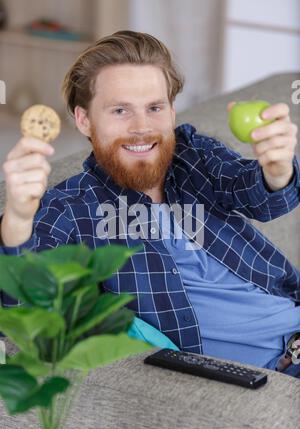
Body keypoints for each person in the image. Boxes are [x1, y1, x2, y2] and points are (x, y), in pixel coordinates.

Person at [0, 30, 300, 377]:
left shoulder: (194, 155)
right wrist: (18, 219)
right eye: (120, 110)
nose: (142, 127)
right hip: (269, 379)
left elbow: (259, 197)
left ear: (171, 111)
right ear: (84, 119)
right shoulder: (72, 207)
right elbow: (21, 311)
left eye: (154, 107)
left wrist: (277, 170)